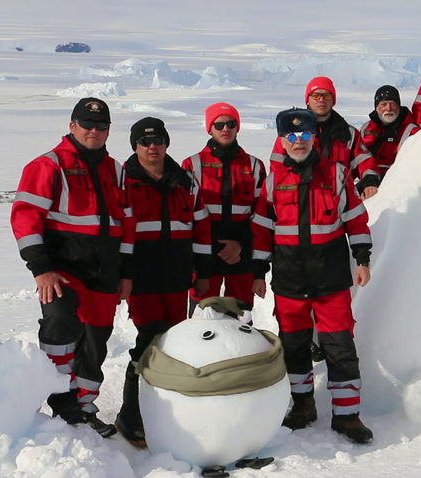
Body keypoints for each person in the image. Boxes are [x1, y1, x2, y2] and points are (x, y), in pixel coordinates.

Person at [251, 107, 374, 444]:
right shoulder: (273, 181)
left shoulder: (336, 174)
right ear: (281, 140)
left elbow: (356, 220)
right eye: (290, 135)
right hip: (290, 280)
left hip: (330, 279)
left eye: (304, 133)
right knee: (295, 347)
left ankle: (347, 416)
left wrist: (362, 259)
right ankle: (303, 406)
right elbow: (262, 231)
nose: (298, 141)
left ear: (314, 136)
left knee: (339, 347)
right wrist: (259, 271)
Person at [10, 97, 131, 437]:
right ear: (72, 125)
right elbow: (24, 217)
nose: (94, 131)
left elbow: (127, 223)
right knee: (61, 325)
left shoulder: (116, 170)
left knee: (95, 343)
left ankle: (85, 408)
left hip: (104, 273)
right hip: (63, 270)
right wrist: (40, 268)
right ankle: (57, 400)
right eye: (87, 124)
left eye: (101, 125)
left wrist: (127, 272)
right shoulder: (49, 165)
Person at [115, 117, 213, 446]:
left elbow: (201, 229)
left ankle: (167, 414)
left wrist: (203, 274)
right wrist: (122, 274)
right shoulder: (124, 180)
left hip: (176, 277)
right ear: (135, 147)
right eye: (144, 142)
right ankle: (131, 418)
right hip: (141, 278)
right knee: (149, 341)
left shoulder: (184, 181)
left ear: (166, 143)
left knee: (172, 345)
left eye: (157, 140)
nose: (151, 146)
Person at [182, 103, 265, 314]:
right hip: (205, 258)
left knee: (240, 320)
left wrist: (239, 245)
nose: (225, 129)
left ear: (238, 127)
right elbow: (187, 215)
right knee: (203, 321)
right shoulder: (192, 165)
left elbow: (262, 216)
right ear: (210, 128)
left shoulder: (254, 166)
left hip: (242, 255)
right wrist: (219, 247)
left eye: (230, 123)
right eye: (219, 124)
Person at [271, 77, 380, 200]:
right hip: (298, 201)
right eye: (316, 96)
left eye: (327, 96)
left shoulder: (348, 134)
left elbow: (364, 161)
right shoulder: (291, 132)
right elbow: (277, 168)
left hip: (338, 202)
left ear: (333, 101)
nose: (321, 100)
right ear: (307, 100)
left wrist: (370, 183)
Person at [359, 85, 420, 179]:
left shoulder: (412, 131)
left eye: (393, 104)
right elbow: (358, 158)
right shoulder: (367, 128)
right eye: (383, 104)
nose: (388, 108)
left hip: (399, 180)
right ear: (376, 107)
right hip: (370, 179)